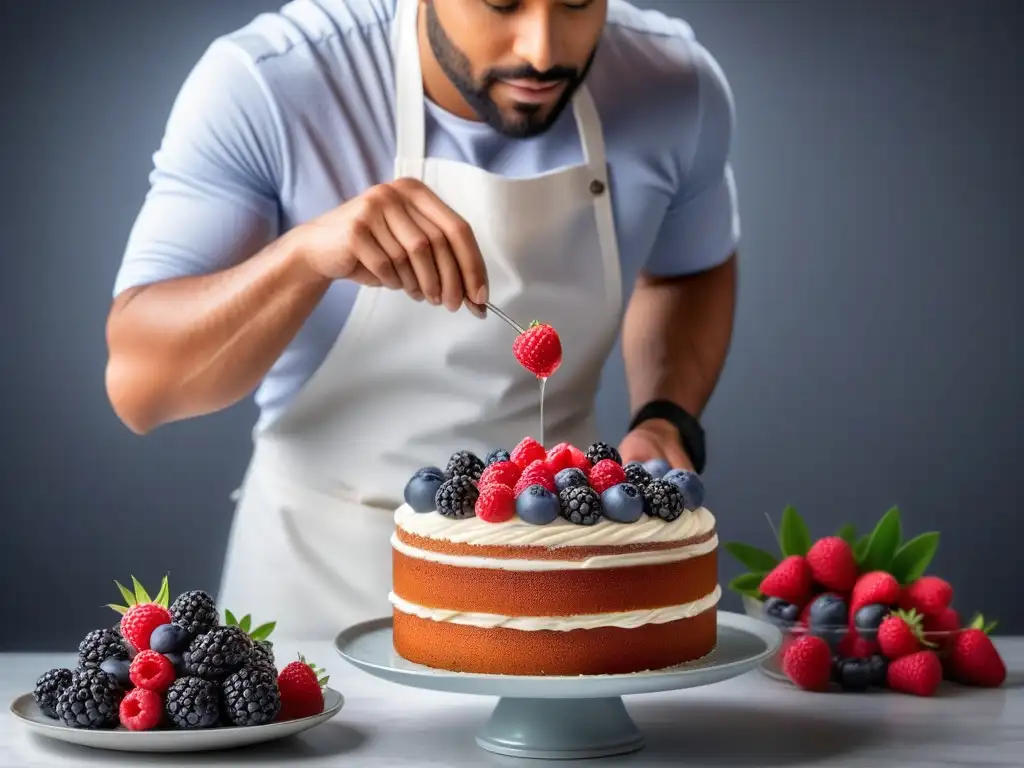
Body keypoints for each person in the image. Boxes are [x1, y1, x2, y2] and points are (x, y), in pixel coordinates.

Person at [105, 0, 740, 639]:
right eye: (501, 3)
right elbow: (142, 390)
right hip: (312, 585)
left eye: (577, 3)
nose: (544, 50)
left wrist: (666, 417)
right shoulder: (272, 80)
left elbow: (686, 268)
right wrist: (301, 259)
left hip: (552, 580)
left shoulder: (676, 84)